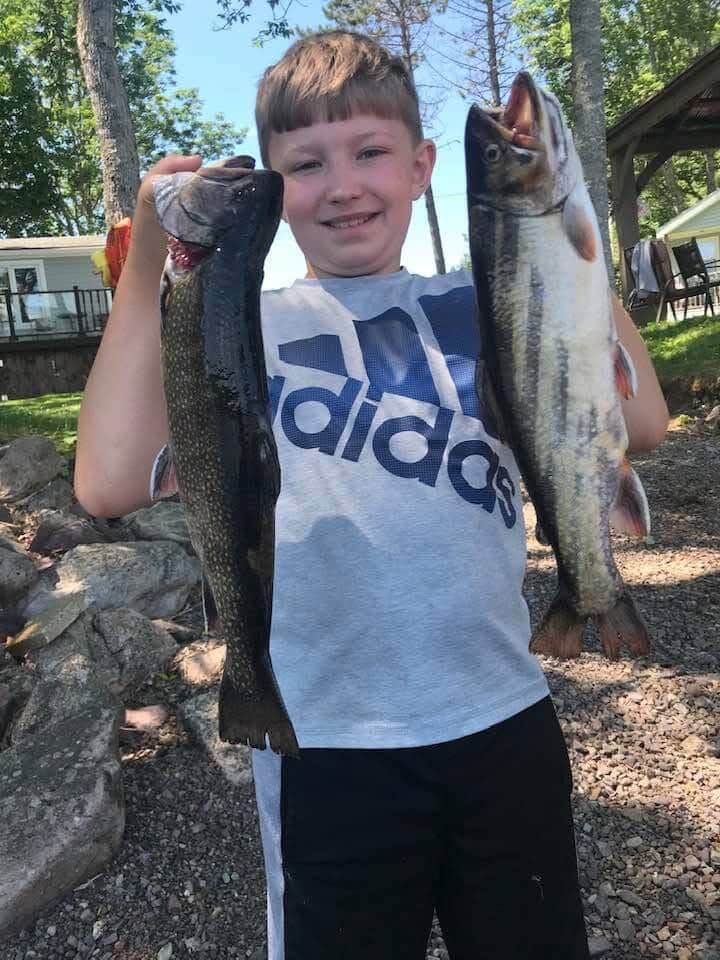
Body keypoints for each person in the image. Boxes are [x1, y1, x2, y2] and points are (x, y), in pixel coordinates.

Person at [74, 30, 669, 960]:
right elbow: (108, 482)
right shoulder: (241, 325)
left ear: (425, 166)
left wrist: (568, 231)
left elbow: (642, 425)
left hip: (502, 716)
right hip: (321, 739)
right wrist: (151, 255)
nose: (342, 184)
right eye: (306, 163)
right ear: (271, 188)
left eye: (370, 152)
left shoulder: (490, 299)